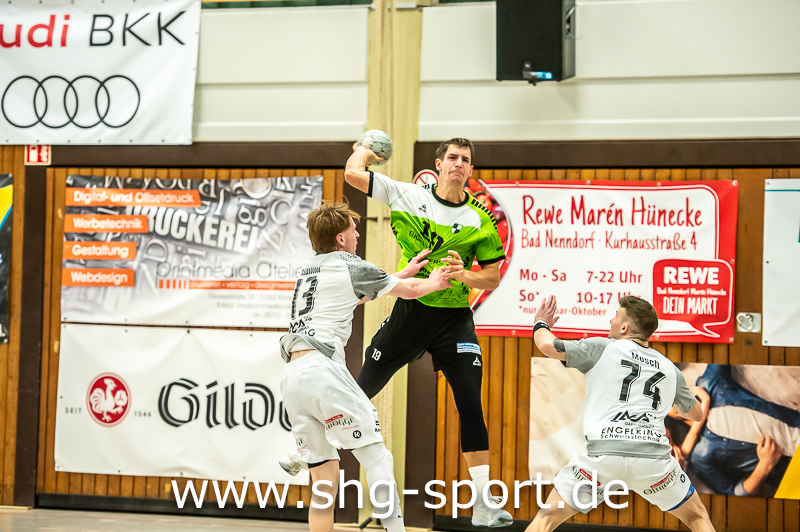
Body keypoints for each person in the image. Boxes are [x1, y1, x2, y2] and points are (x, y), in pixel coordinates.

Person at [343, 138, 512, 527]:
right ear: (438, 165)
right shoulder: (408, 195)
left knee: (471, 404)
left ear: (471, 170)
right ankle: (306, 447)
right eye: (452, 157)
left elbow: (491, 277)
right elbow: (353, 175)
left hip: (455, 320)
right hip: (412, 311)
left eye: (465, 160)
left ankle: (483, 503)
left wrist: (464, 275)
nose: (459, 164)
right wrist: (365, 151)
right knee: (362, 389)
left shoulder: (480, 219)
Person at [279, 200, 452, 532]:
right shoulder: (351, 265)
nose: (357, 234)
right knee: (376, 457)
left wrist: (402, 273)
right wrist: (436, 282)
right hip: (322, 370)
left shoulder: (308, 269)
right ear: (341, 238)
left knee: (324, 482)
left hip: (293, 376)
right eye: (353, 229)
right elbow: (411, 292)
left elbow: (361, 294)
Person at [526, 295, 715, 532]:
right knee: (698, 517)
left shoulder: (603, 348)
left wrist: (541, 323)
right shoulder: (669, 368)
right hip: (653, 463)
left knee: (546, 519)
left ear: (624, 327)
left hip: (603, 459)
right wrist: (678, 400)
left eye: (615, 316)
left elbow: (546, 345)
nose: (610, 320)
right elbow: (696, 415)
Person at [665, 364, 800, 497]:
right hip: (793, 473)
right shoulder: (700, 457)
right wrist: (765, 465)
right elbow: (734, 494)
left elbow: (722, 352)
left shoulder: (710, 383)